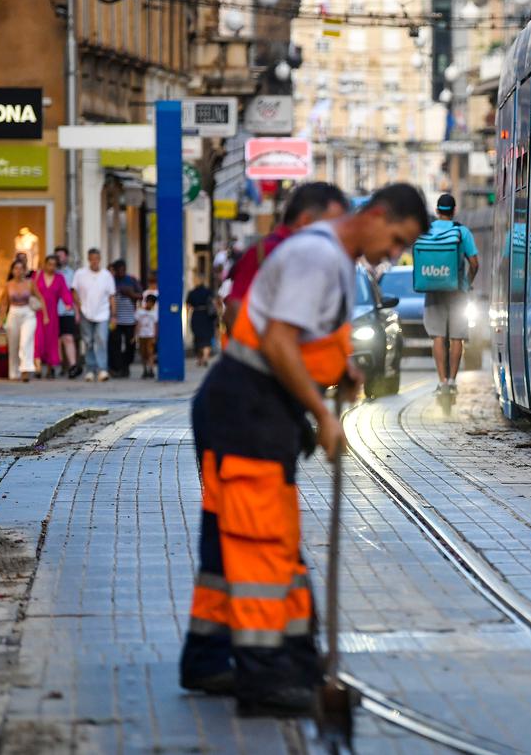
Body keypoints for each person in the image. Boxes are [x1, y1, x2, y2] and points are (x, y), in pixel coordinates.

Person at [179, 182, 429, 716]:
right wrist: (321, 413)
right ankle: (266, 677)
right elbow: (276, 341)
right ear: (378, 214)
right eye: (396, 239)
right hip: (249, 408)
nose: (394, 254)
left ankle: (212, 657)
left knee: (239, 545)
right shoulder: (318, 256)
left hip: (253, 410)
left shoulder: (333, 257)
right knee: (263, 545)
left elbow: (307, 339)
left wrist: (342, 368)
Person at [223, 182, 349, 334]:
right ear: (305, 221)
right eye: (331, 226)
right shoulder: (270, 251)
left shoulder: (315, 255)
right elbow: (235, 308)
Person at [421, 193, 479, 393]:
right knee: (457, 337)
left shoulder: (427, 230)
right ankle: (453, 381)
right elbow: (474, 263)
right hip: (457, 291)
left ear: (437, 211)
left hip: (433, 290)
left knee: (437, 336)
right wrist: (467, 283)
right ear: (454, 211)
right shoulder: (462, 232)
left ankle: (442, 381)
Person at [0, 258, 45, 383]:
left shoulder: (30, 283)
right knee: (13, 344)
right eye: (16, 268)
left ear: (25, 270)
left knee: (26, 342)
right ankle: (14, 371)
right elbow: (3, 303)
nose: (18, 271)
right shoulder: (8, 285)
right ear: (12, 271)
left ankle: (26, 369)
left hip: (28, 313)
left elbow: (40, 298)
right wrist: (1, 321)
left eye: (21, 268)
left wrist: (45, 315)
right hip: (13, 313)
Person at [74, 248, 116, 382]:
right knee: (88, 341)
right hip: (86, 312)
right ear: (88, 259)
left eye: (96, 259)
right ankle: (90, 369)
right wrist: (79, 306)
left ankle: (102, 369)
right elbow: (74, 291)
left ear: (100, 259)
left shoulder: (106, 275)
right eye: (92, 259)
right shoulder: (80, 274)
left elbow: (111, 296)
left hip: (103, 313)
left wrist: (113, 315)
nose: (94, 262)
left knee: (102, 340)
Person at [33, 254, 73, 379]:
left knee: (51, 341)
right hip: (38, 313)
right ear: (44, 264)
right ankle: (38, 367)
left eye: (54, 265)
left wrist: (68, 303)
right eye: (49, 264)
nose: (51, 267)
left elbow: (65, 292)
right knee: (38, 340)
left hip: (52, 314)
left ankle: (50, 368)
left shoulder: (59, 278)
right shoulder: (37, 276)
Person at [109, 260, 141, 378]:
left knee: (130, 344)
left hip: (129, 319)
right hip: (115, 319)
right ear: (115, 270)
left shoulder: (131, 280)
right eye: (119, 270)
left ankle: (126, 365)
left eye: (124, 269)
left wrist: (131, 294)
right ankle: (117, 368)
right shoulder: (111, 280)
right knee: (115, 344)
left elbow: (141, 295)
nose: (121, 272)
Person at [54, 247, 81, 378]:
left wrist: (77, 311)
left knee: (68, 338)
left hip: (67, 310)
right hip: (53, 311)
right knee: (55, 340)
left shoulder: (71, 274)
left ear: (66, 256)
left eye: (61, 255)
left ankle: (72, 366)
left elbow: (73, 294)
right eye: (57, 256)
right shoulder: (51, 273)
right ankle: (55, 366)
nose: (59, 258)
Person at [186, 274, 216, 366]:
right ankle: (205, 358)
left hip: (197, 316)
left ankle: (200, 359)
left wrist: (188, 317)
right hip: (207, 316)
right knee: (207, 338)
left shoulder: (192, 293)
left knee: (198, 338)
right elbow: (214, 303)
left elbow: (188, 306)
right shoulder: (208, 291)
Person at [136, 294, 158, 379]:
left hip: (150, 335)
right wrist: (136, 335)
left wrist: (155, 336)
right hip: (142, 335)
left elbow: (156, 325)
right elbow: (138, 324)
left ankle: (151, 369)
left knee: (150, 353)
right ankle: (145, 369)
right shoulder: (140, 312)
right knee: (143, 353)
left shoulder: (154, 313)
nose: (150, 305)